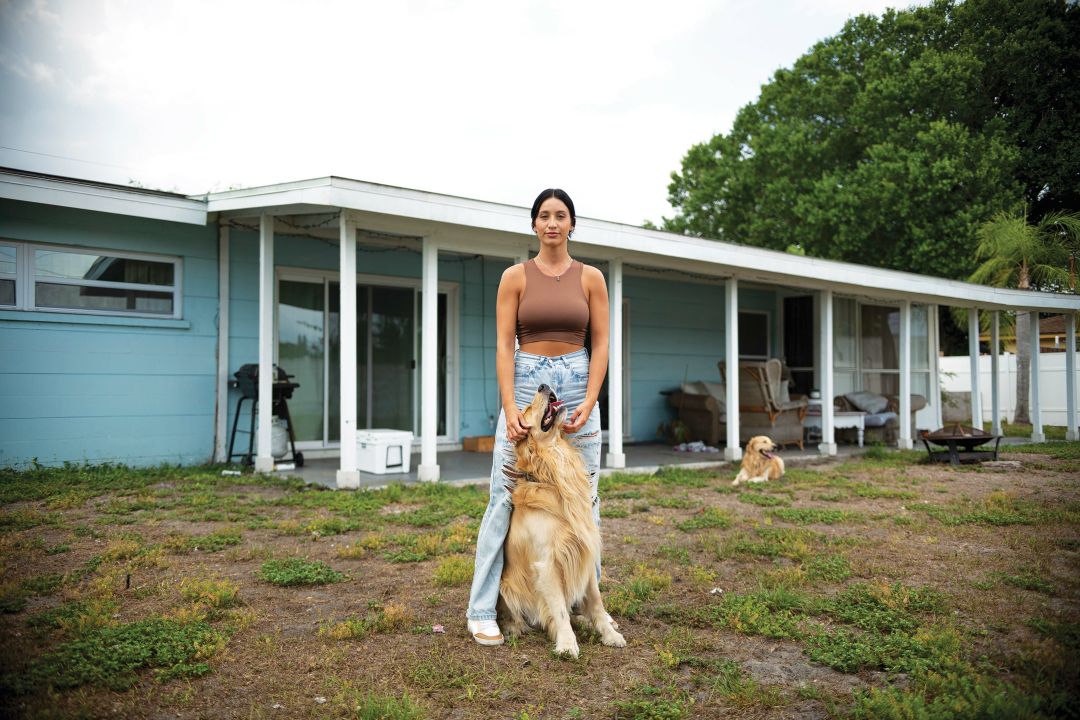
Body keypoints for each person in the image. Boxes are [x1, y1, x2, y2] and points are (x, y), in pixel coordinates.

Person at [465, 188, 610, 646]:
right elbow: (504, 345)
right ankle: (483, 608)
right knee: (504, 500)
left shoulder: (591, 278)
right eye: (544, 216)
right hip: (529, 389)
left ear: (572, 224)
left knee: (582, 501)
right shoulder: (515, 277)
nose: (552, 223)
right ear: (534, 225)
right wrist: (510, 407)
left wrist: (590, 398)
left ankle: (587, 605)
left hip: (577, 389)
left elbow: (601, 343)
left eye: (560, 215)